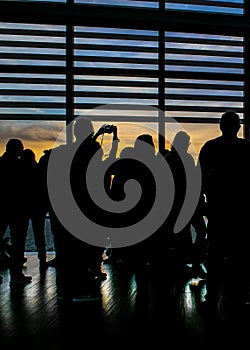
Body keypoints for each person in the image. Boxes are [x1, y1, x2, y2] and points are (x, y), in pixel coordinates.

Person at [48, 117, 119, 301]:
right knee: (83, 251)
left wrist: (97, 135)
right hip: (85, 208)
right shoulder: (93, 149)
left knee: (67, 252)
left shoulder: (64, 151)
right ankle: (82, 289)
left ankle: (65, 291)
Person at [198, 111, 250, 314]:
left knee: (216, 254)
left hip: (218, 208)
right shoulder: (246, 148)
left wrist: (203, 200)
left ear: (220, 126)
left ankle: (211, 298)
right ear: (238, 127)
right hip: (241, 209)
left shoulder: (210, 147)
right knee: (240, 255)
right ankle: (240, 296)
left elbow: (200, 178)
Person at [0, 138, 32, 284]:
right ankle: (16, 276)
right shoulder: (20, 166)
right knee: (19, 242)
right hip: (18, 210)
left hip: (3, 208)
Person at [19, 148, 48, 273]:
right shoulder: (39, 170)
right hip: (39, 207)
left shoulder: (18, 171)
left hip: (22, 207)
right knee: (39, 234)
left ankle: (18, 259)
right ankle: (42, 258)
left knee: (20, 236)